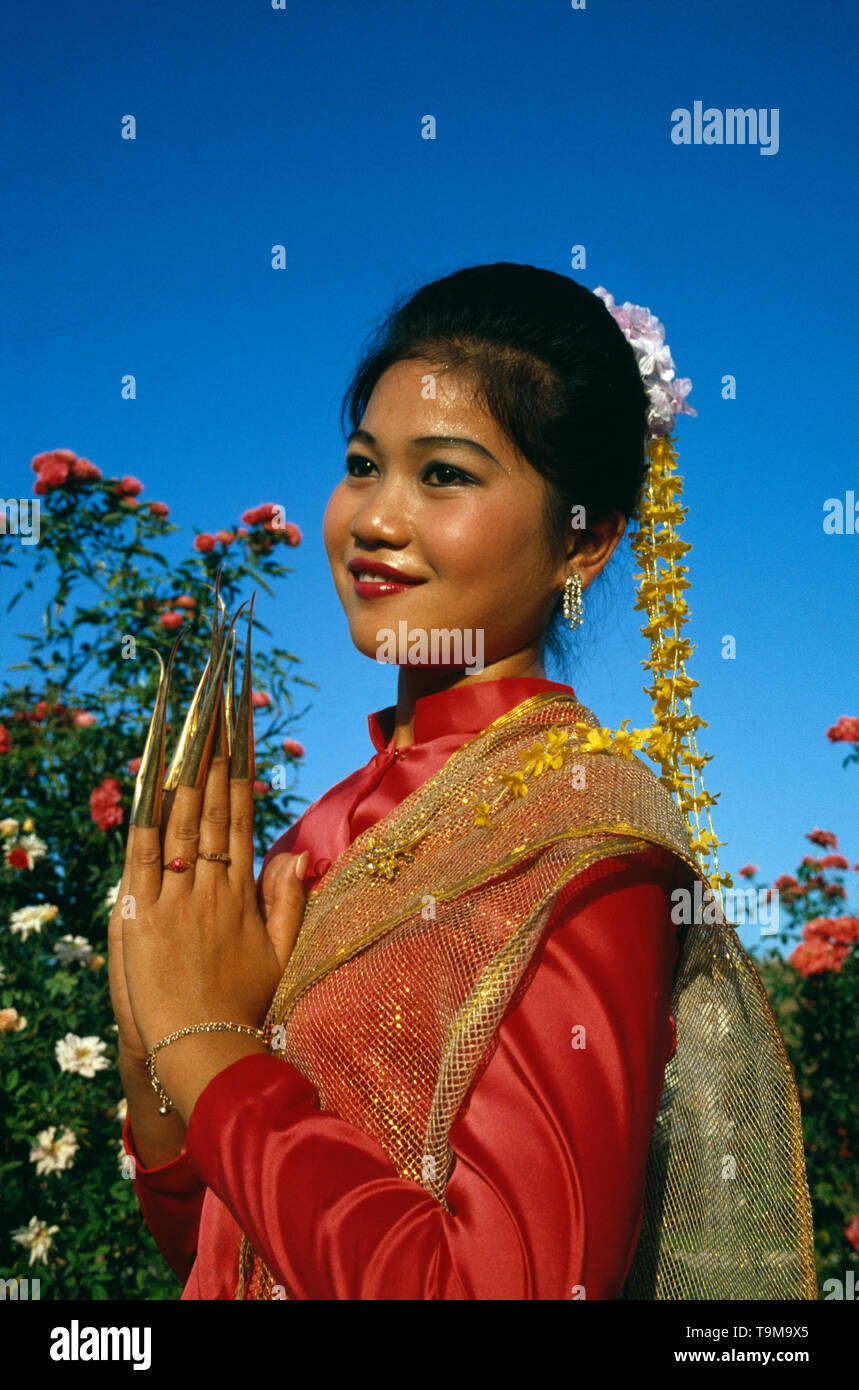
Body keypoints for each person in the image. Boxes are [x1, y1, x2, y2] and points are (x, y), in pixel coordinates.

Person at [111, 263, 815, 1301]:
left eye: (442, 474)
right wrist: (154, 1048)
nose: (373, 518)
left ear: (584, 537)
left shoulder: (583, 845)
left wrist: (212, 1048)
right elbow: (230, 1254)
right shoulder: (318, 832)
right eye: (362, 465)